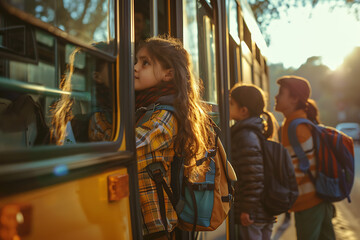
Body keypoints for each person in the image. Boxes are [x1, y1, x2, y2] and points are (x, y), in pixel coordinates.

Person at [134, 36, 215, 239]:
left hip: (155, 225)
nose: (135, 67)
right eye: (136, 61)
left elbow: (131, 147)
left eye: (145, 63)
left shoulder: (165, 115)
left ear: (168, 74)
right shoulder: (146, 107)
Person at [275, 75, 336, 240]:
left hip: (309, 202)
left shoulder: (295, 127)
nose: (276, 97)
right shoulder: (299, 122)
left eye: (281, 93)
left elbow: (297, 171)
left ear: (294, 99)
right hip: (319, 199)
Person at [229, 83, 276, 240]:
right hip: (261, 211)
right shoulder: (254, 132)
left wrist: (247, 209)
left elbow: (253, 177)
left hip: (253, 214)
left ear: (243, 111)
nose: (226, 106)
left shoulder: (245, 136)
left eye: (230, 104)